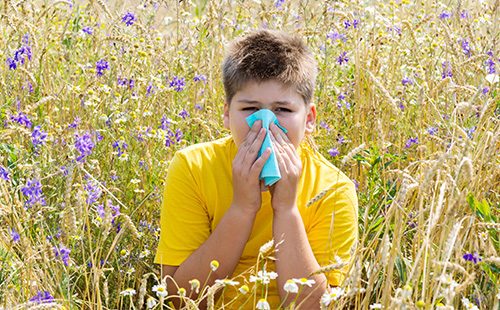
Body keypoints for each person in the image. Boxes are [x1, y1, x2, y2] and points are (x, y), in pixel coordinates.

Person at [154, 29, 358, 309]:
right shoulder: (193, 166)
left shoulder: (334, 188)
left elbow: (316, 306)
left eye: (283, 110)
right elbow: (178, 299)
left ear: (309, 119)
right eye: (250, 108)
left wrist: (286, 210)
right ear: (226, 114)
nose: (265, 124)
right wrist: (242, 208)